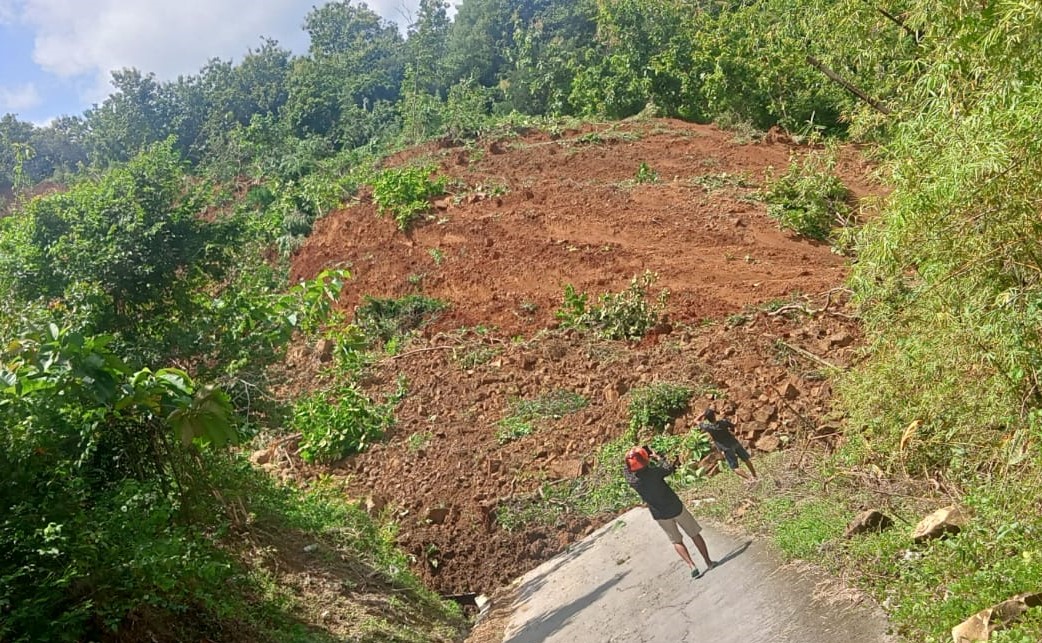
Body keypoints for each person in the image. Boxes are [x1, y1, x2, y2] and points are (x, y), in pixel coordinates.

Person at [623, 445, 717, 579]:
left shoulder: (634, 481)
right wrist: (657, 456)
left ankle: (691, 566)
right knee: (694, 534)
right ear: (646, 460)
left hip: (660, 515)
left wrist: (630, 458)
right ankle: (708, 562)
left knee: (676, 541)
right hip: (675, 507)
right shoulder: (656, 472)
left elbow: (626, 471)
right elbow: (669, 467)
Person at [697, 408, 758, 481]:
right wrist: (736, 417)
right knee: (746, 459)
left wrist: (702, 414)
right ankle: (754, 476)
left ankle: (750, 479)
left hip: (727, 448)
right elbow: (735, 424)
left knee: (735, 468)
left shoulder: (708, 427)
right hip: (734, 443)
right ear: (714, 415)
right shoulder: (723, 422)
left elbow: (696, 421)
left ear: (707, 419)